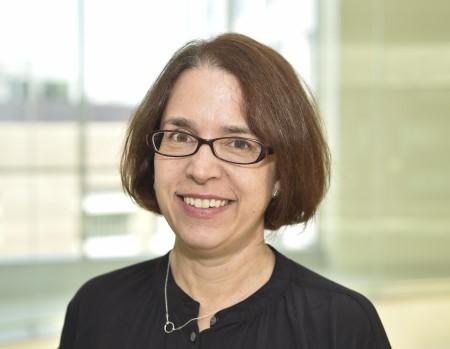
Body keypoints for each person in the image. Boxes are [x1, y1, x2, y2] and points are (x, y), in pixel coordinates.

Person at [59, 33, 391, 348]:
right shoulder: (96, 310)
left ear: (281, 174)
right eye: (180, 137)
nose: (201, 170)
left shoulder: (340, 326)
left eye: (238, 143)